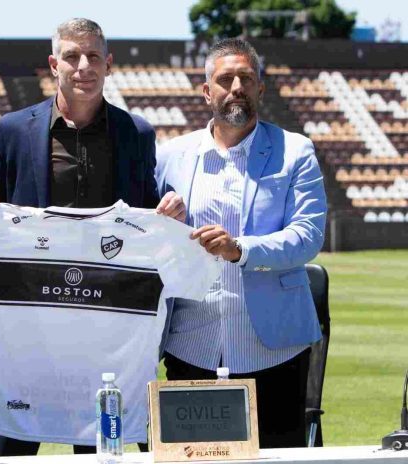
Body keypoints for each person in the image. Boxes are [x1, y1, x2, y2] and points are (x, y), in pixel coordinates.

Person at [0, 18, 183, 456]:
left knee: (103, 445)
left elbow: (148, 211)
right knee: (14, 441)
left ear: (108, 64)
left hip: (108, 322)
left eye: (94, 56)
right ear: (53, 63)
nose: (84, 66)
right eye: (72, 56)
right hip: (30, 318)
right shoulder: (13, 129)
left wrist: (170, 209)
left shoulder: (136, 134)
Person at [155, 38, 327, 448]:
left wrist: (241, 249)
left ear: (260, 89)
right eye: (225, 79)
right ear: (206, 91)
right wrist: (163, 222)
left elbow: (307, 235)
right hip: (190, 343)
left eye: (246, 79)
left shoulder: (295, 152)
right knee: (191, 458)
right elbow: (149, 239)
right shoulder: (171, 156)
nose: (236, 87)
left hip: (273, 349)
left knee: (276, 458)